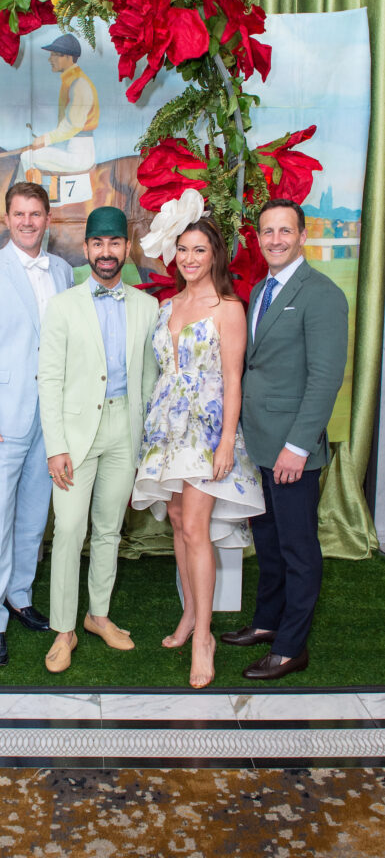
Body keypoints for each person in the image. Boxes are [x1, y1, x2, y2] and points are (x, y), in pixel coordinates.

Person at [132, 190, 265, 689]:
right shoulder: (168, 304)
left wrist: (227, 440)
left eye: (199, 251)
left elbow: (233, 380)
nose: (189, 259)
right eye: (183, 250)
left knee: (196, 530)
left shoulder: (228, 308)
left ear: (215, 256)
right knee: (180, 525)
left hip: (207, 430)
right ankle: (190, 615)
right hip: (166, 430)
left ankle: (204, 637)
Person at [220, 199, 348, 680]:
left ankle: (292, 646)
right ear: (258, 236)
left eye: (284, 231)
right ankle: (268, 623)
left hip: (293, 449)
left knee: (298, 548)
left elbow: (324, 379)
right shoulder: (261, 291)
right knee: (268, 543)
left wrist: (298, 446)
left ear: (302, 235)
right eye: (267, 231)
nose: (275, 239)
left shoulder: (321, 294)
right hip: (260, 443)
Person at [38, 205, 159, 673]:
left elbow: (148, 382)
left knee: (109, 529)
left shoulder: (147, 307)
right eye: (97, 243)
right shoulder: (63, 306)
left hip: (124, 431)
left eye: (114, 243)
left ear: (126, 249)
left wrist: (145, 445)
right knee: (69, 529)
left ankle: (98, 616)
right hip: (74, 436)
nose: (106, 252)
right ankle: (63, 629)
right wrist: (55, 447)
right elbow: (48, 380)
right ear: (85, 248)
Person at [0, 182, 74, 666]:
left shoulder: (65, 271)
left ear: (48, 219)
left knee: (34, 514)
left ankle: (20, 595)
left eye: (36, 213)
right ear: (7, 219)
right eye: (19, 214)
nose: (28, 221)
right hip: (2, 419)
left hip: (52, 416)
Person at [18, 34, 98, 207]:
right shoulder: (71, 81)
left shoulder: (79, 84)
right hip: (74, 147)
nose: (50, 59)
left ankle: (33, 206)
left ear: (68, 57)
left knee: (27, 157)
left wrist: (45, 139)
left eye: (54, 54)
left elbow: (73, 125)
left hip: (80, 153)